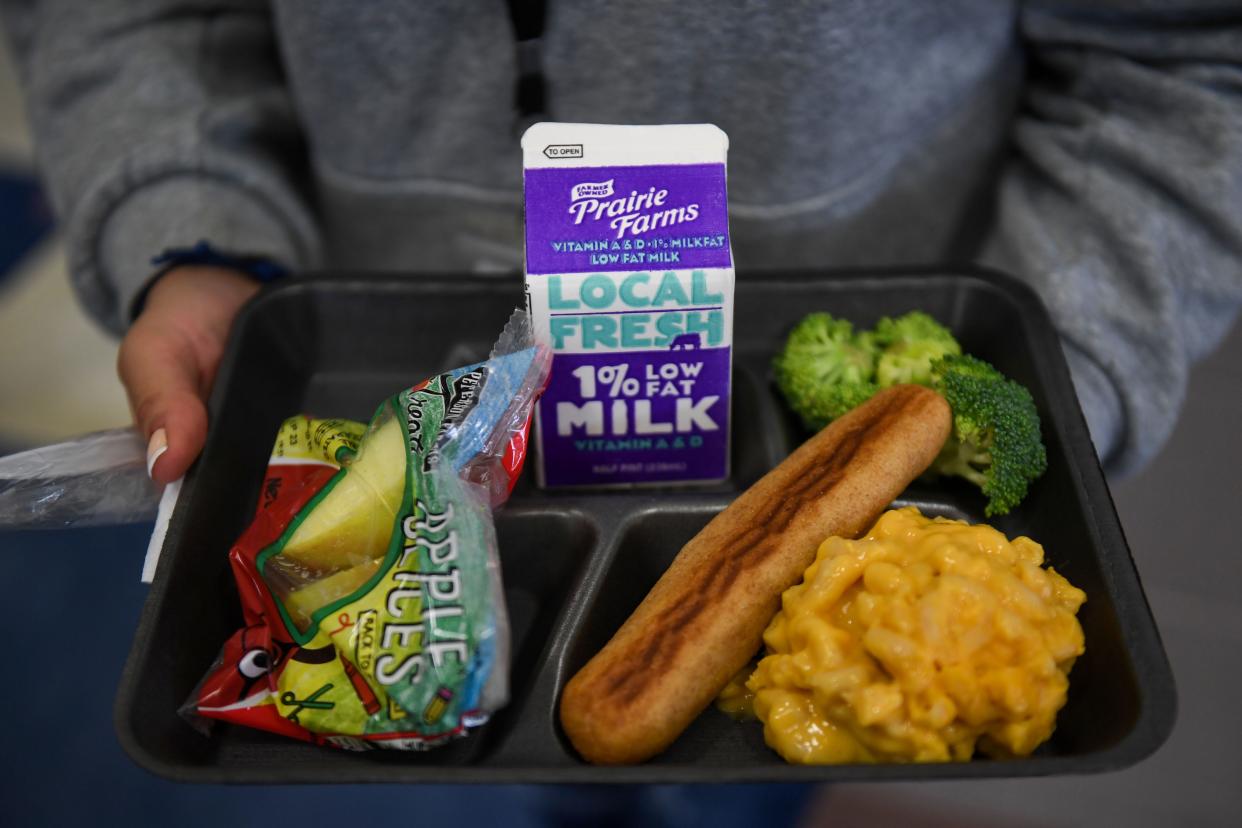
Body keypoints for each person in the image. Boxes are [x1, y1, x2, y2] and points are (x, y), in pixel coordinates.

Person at [3, 1, 1241, 486]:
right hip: (373, 376)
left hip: (870, 422)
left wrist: (1058, 355)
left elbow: (1188, 59)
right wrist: (192, 226)